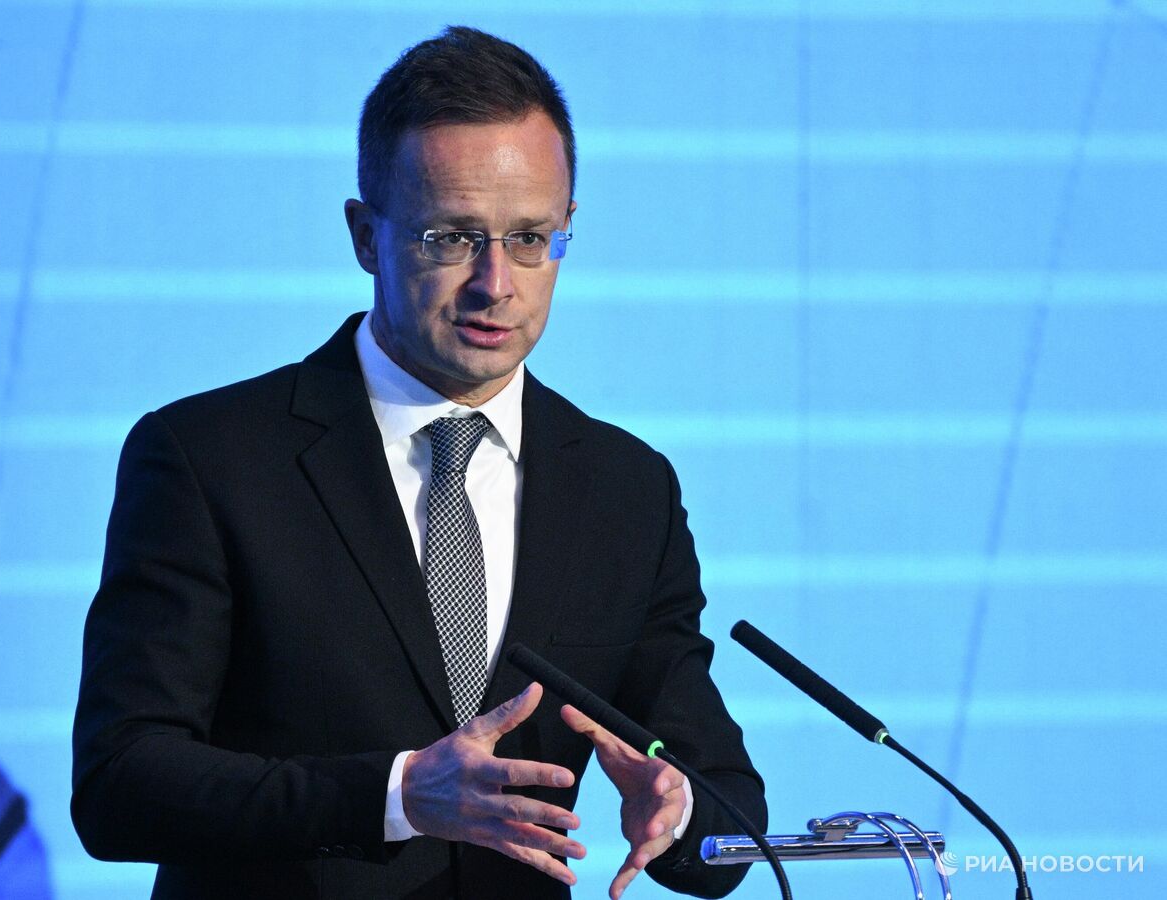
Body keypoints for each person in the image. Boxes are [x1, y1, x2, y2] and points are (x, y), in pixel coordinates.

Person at [72, 25, 765, 900]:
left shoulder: (626, 490)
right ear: (367, 236)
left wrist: (679, 810)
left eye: (530, 238)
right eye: (451, 238)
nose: (496, 284)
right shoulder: (211, 459)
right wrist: (395, 796)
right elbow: (121, 783)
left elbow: (722, 805)